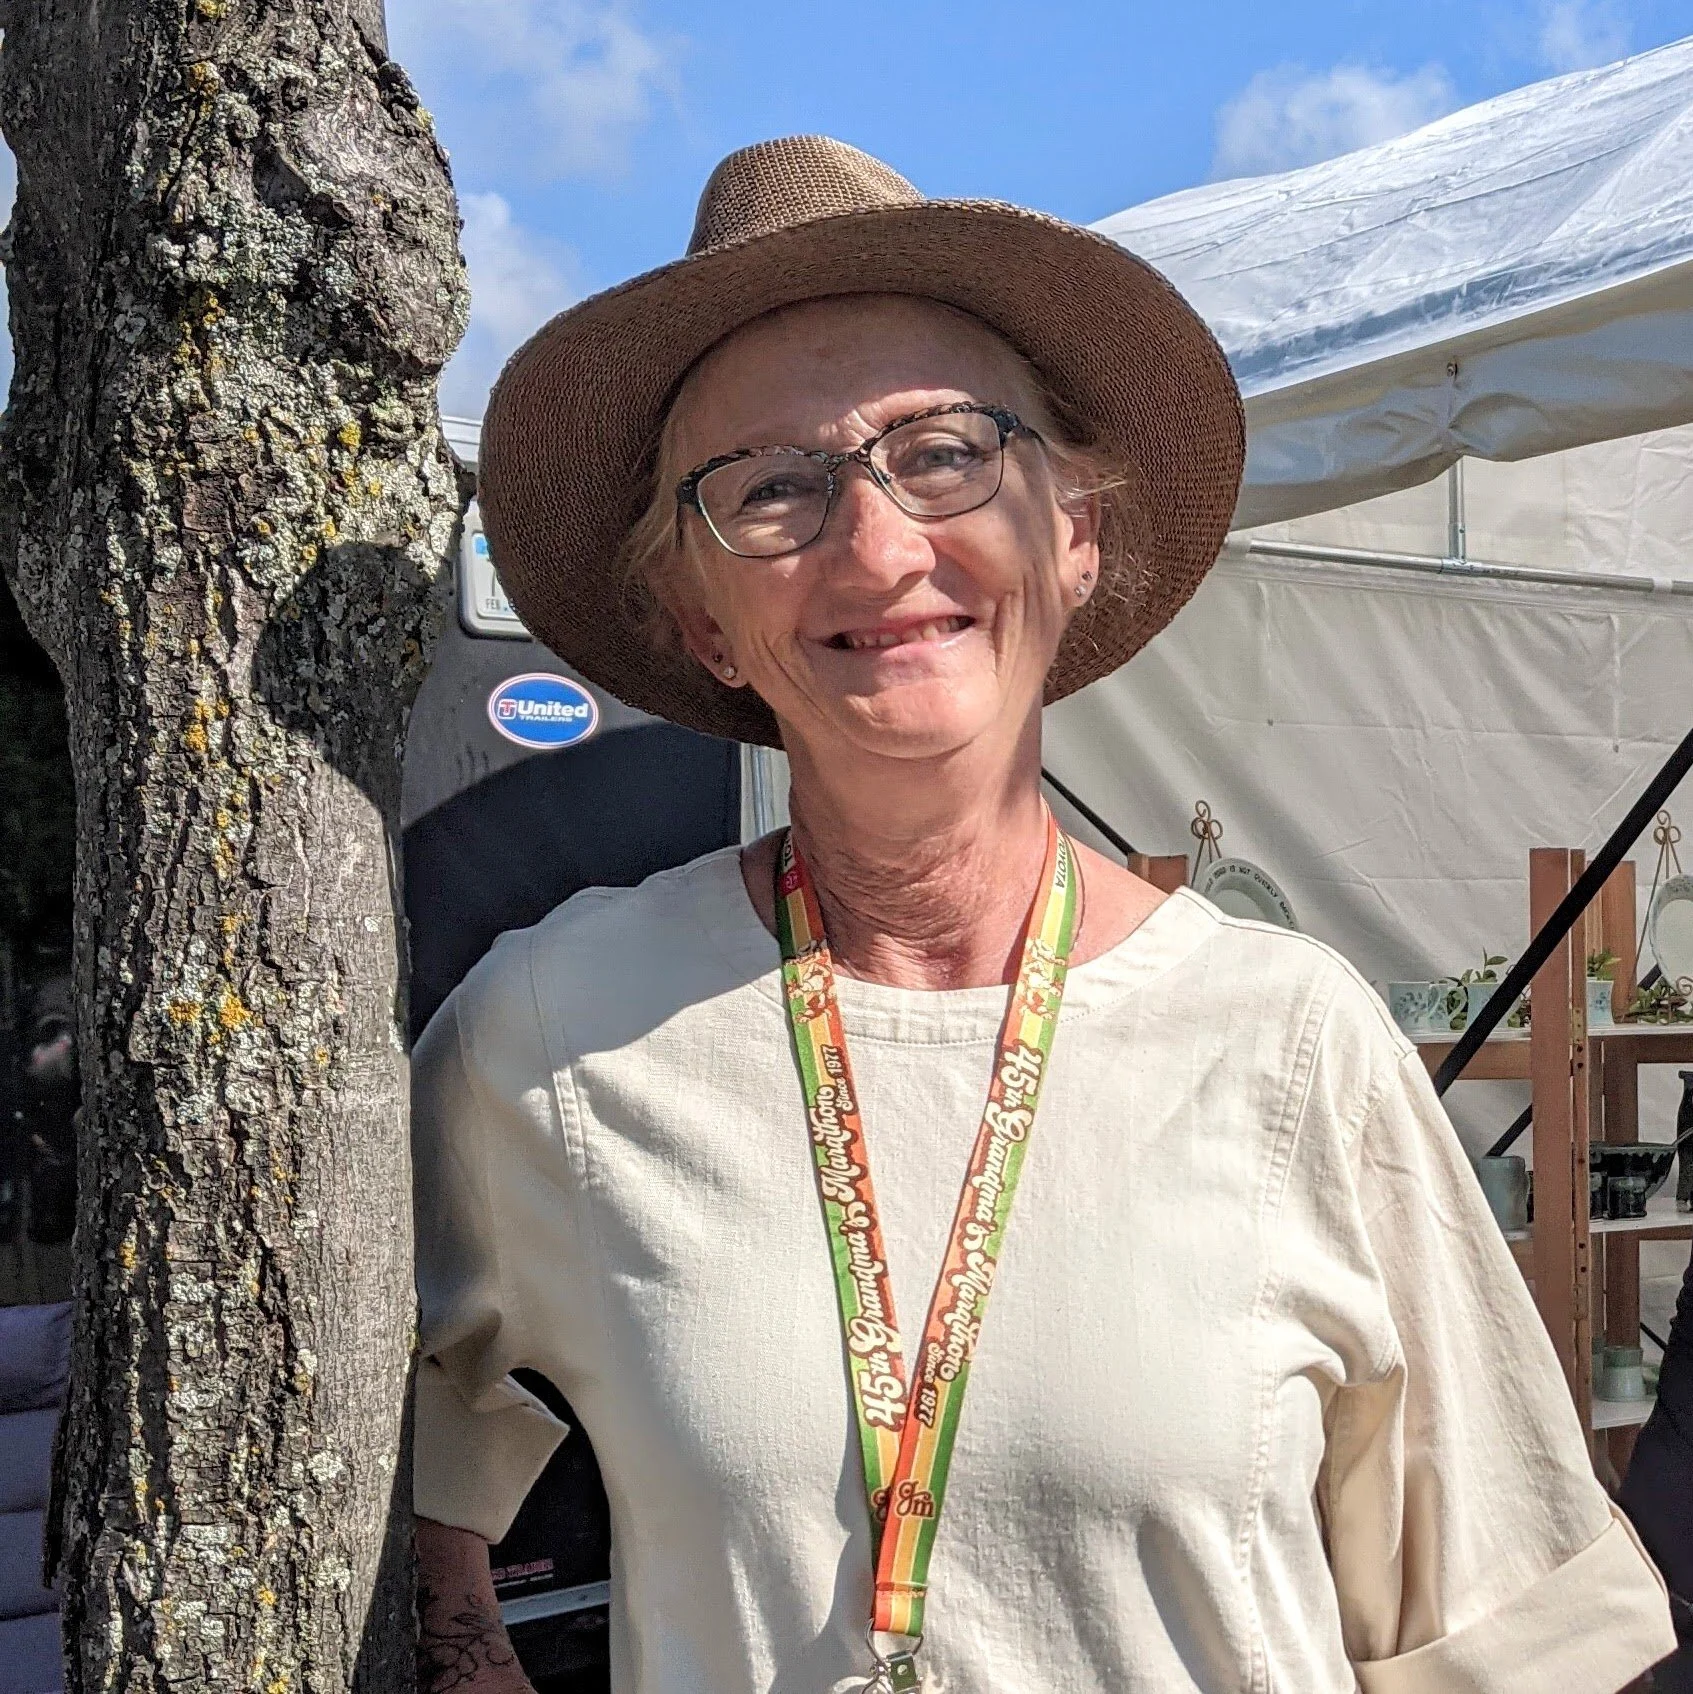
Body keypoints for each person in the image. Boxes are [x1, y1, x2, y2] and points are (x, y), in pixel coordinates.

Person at [410, 136, 1675, 1694]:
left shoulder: (1292, 1048)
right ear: (700, 618)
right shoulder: (556, 1030)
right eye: (770, 489)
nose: (875, 545)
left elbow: (1512, 1640)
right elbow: (378, 1420)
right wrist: (462, 1646)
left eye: (942, 452)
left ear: (1074, 531)